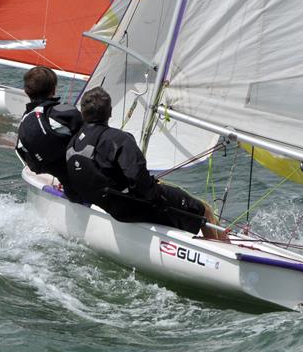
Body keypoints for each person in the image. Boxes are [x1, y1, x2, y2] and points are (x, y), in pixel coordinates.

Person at [66, 86, 223, 239]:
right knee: (204, 210)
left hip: (108, 204)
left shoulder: (74, 141)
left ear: (83, 112)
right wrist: (160, 199)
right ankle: (222, 253)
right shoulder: (120, 139)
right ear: (111, 111)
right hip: (132, 209)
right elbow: (139, 181)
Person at [16, 66, 83, 199]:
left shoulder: (25, 121)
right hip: (84, 180)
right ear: (53, 89)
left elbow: (24, 155)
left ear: (26, 91)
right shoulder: (66, 112)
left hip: (63, 182)